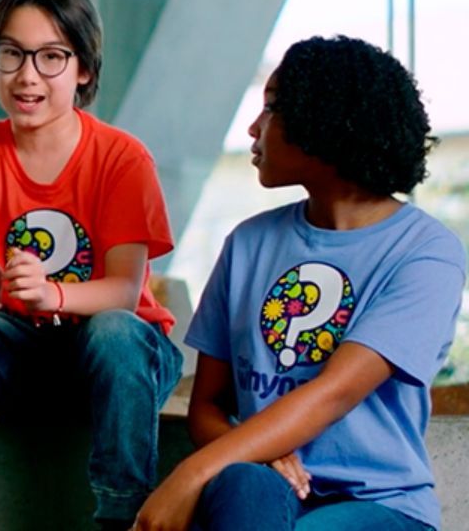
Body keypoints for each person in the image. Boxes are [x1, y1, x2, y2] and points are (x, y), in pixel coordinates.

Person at [133, 36, 465, 531]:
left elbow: (333, 393)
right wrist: (250, 456)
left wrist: (190, 474)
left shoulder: (425, 252)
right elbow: (207, 407)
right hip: (265, 490)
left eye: (270, 108)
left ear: (323, 119)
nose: (253, 127)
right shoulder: (248, 244)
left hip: (382, 506)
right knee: (241, 484)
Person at [0, 0, 183, 531]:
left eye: (51, 56)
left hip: (118, 363)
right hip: (21, 362)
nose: (28, 75)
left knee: (114, 331)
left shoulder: (122, 159)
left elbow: (124, 291)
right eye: (11, 54)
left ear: (84, 70)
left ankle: (124, 517)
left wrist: (51, 291)